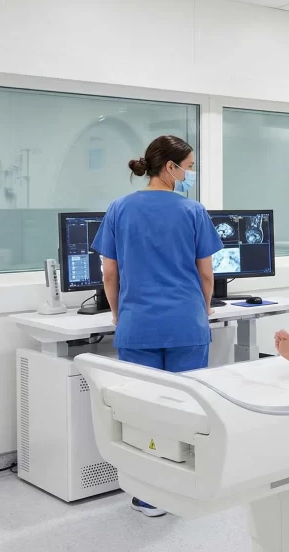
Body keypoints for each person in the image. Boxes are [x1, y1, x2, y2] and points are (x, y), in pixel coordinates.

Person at [91, 135, 222, 518]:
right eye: (190, 166)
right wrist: (204, 310)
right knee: (186, 412)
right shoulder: (193, 211)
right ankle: (184, 490)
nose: (190, 174)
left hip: (138, 325)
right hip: (186, 323)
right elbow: (206, 276)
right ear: (171, 168)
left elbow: (109, 273)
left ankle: (148, 494)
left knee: (140, 413)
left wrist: (118, 313)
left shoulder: (119, 209)